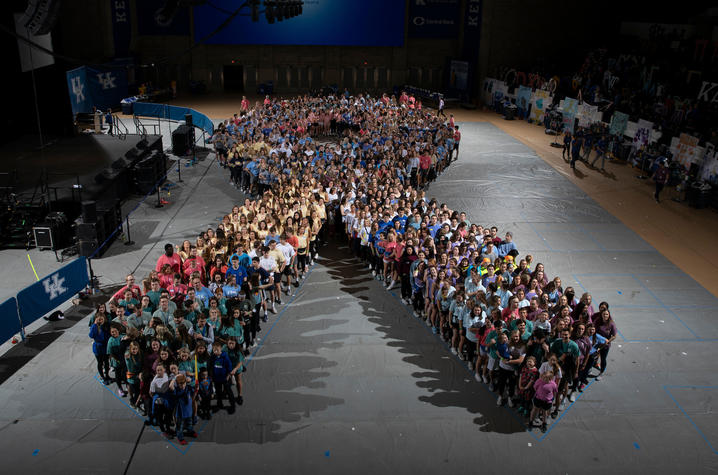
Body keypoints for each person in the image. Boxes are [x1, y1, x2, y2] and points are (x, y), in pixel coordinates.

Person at [169, 374, 198, 445]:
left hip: (188, 411)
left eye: (184, 383)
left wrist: (196, 390)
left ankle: (190, 431)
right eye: (180, 384)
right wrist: (175, 378)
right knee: (179, 427)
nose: (182, 386)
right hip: (180, 413)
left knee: (189, 424)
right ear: (177, 384)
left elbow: (193, 397)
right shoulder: (177, 390)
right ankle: (180, 438)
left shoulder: (188, 388)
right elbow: (170, 386)